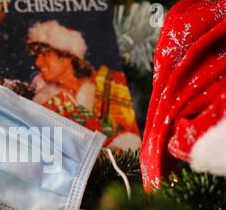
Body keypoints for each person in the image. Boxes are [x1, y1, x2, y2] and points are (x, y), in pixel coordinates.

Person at [26, 20, 141, 150]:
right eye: (36, 56)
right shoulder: (47, 104)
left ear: (65, 56)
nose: (37, 62)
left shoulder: (111, 83)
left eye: (44, 55)